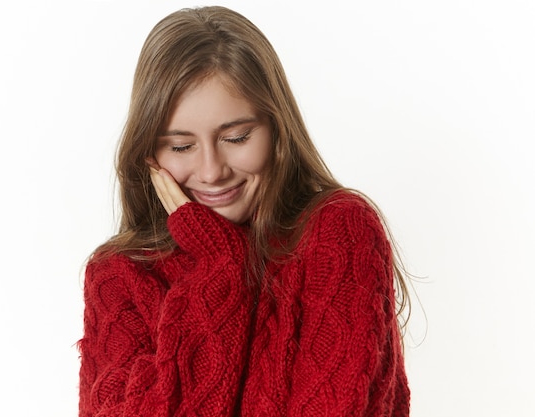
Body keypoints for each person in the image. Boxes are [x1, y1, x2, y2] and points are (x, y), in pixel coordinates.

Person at [78, 5, 411, 417]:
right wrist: (221, 267)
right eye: (181, 146)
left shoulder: (337, 231)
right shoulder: (119, 275)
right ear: (148, 153)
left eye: (236, 137)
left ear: (277, 128)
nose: (212, 171)